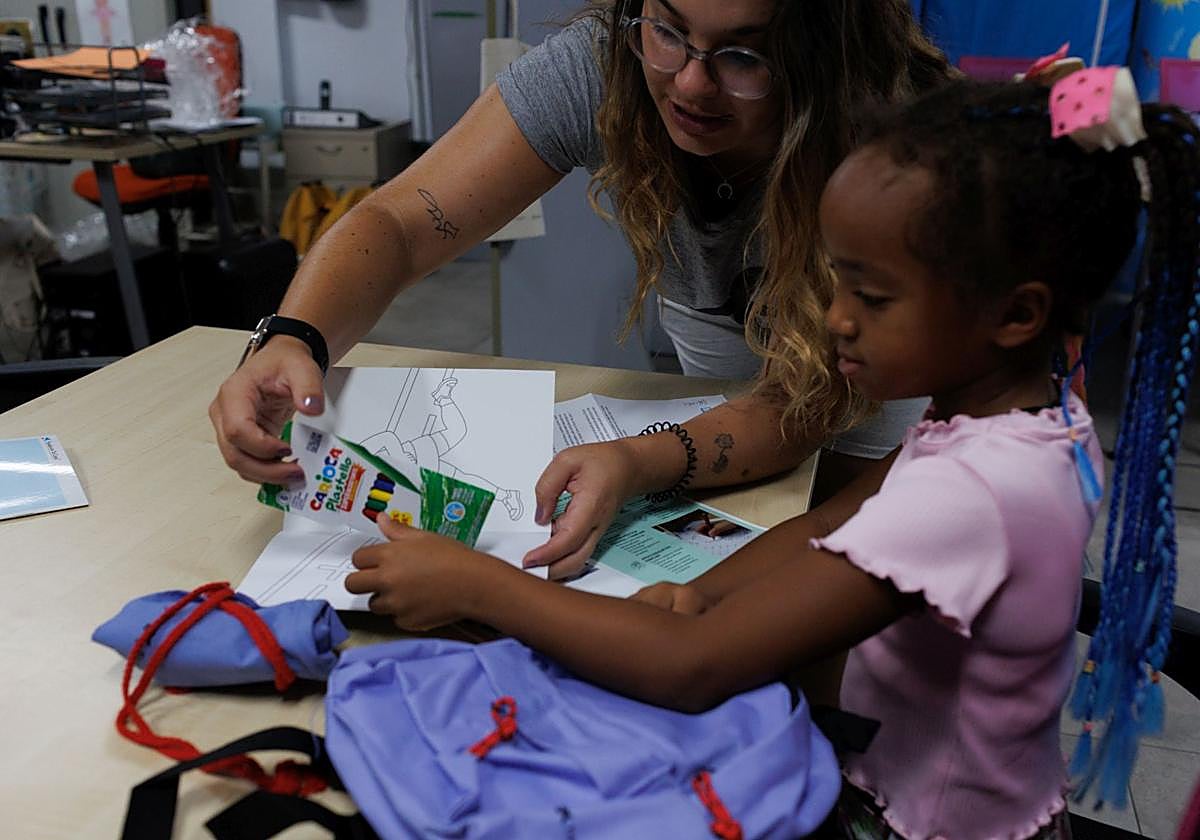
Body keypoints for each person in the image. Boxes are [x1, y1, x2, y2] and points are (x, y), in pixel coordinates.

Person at [343, 75, 1200, 838]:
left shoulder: (979, 488)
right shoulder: (1022, 415)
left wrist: (477, 583)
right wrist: (704, 590)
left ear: (1014, 314)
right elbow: (836, 521)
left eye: (871, 295)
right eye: (837, 284)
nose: (834, 318)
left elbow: (692, 672)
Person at [209, 0, 954, 576]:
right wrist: (293, 336)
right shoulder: (608, 64)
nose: (692, 82)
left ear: (821, 53)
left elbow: (807, 404)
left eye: (745, 56)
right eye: (667, 30)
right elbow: (402, 221)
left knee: (838, 615)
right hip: (726, 402)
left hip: (865, 414)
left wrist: (639, 459)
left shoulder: (888, 133)